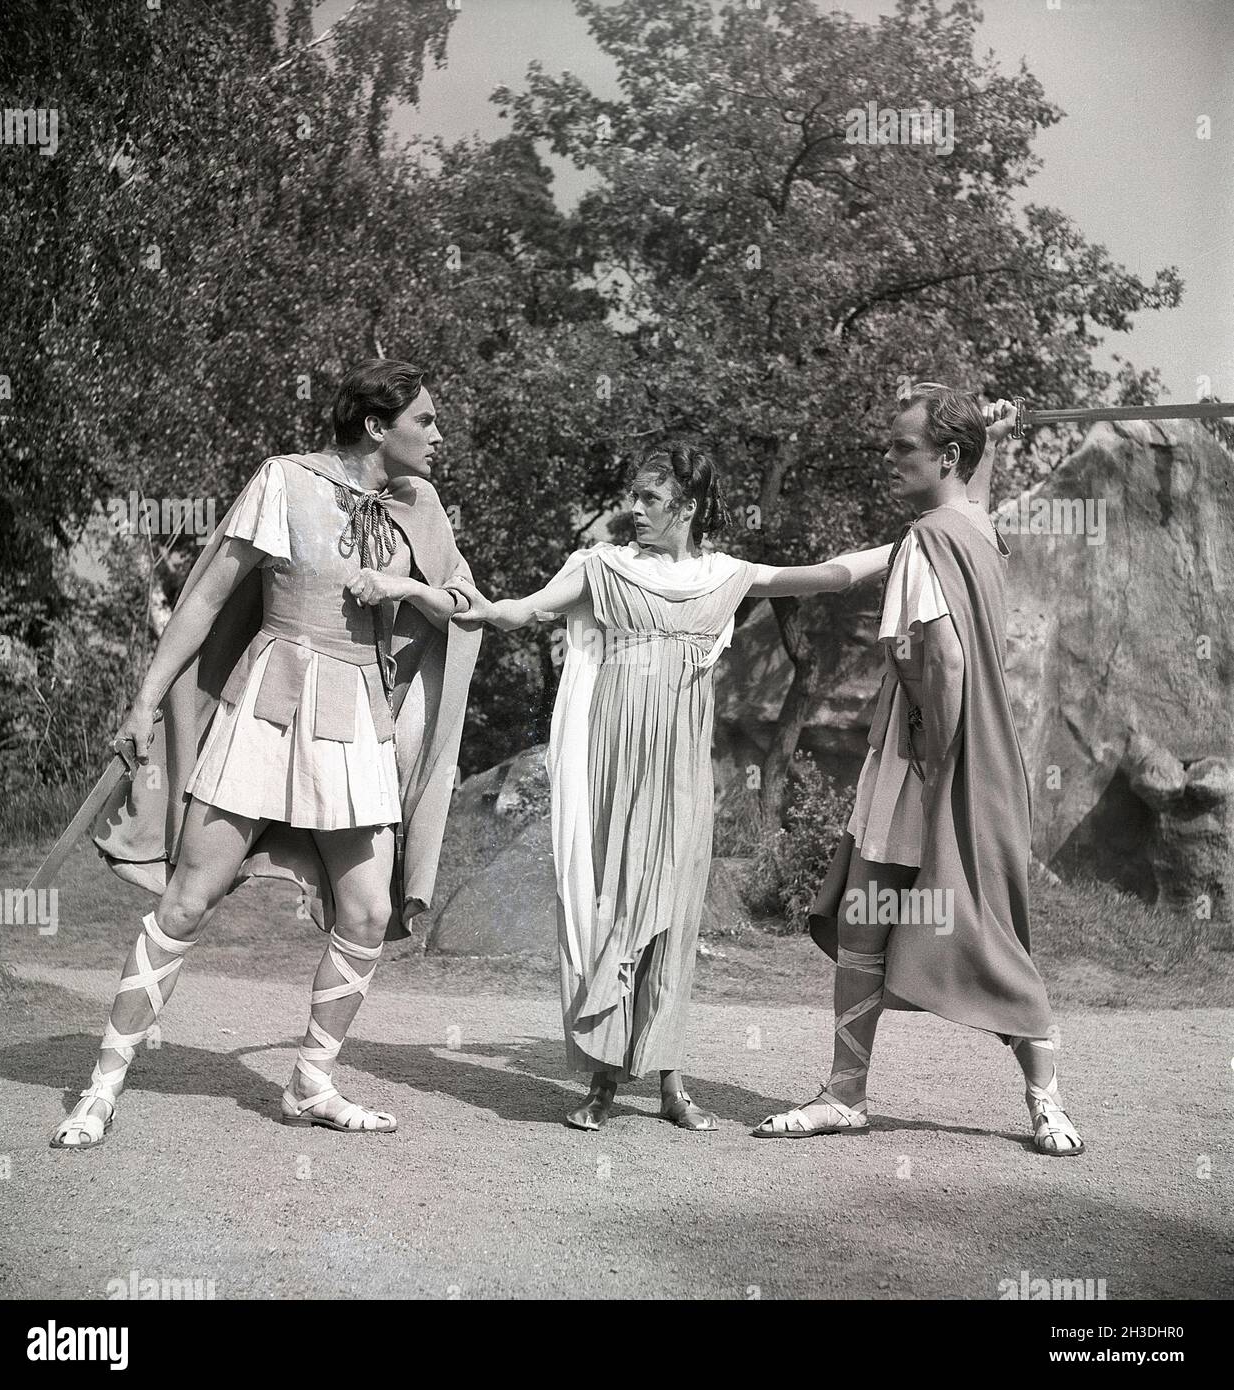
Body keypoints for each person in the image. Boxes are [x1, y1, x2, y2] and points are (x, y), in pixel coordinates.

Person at [50, 359, 480, 1149]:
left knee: (369, 911)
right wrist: (145, 701)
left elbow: (464, 602)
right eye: (424, 421)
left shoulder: (421, 506)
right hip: (267, 710)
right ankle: (100, 1087)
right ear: (376, 427)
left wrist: (407, 593)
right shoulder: (284, 482)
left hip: (358, 721)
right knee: (187, 900)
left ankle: (310, 1082)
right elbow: (209, 596)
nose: (438, 435)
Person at [447, 442, 893, 1131]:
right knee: (610, 904)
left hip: (681, 766)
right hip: (612, 758)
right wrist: (471, 604)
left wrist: (908, 544)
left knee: (674, 914)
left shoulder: (725, 576)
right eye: (633, 495)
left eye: (650, 499)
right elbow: (523, 610)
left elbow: (827, 577)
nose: (633, 509)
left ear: (686, 506)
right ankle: (600, 1080)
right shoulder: (603, 568)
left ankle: (669, 1081)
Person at [752, 390, 1084, 1156]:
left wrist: (937, 767)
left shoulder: (923, 542)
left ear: (945, 458)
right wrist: (992, 441)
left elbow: (942, 660)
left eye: (904, 448)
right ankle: (850, 1094)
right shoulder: (972, 527)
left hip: (930, 762)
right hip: (965, 760)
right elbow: (973, 500)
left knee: (982, 934)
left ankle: (1042, 1101)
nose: (890, 461)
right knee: (885, 919)